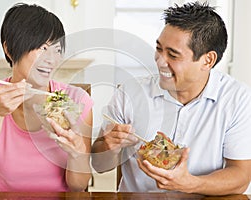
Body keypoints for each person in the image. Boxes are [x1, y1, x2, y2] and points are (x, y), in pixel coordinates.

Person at [92, 1, 251, 195]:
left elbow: (241, 175)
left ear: (208, 60)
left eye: (173, 55)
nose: (159, 61)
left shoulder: (237, 99)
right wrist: (110, 148)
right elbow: (99, 165)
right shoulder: (130, 93)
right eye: (159, 49)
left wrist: (190, 183)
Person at [0, 3, 93, 192]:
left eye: (57, 49)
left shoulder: (77, 101)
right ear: (9, 49)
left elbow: (78, 186)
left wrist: (76, 153)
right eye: (42, 48)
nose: (51, 59)